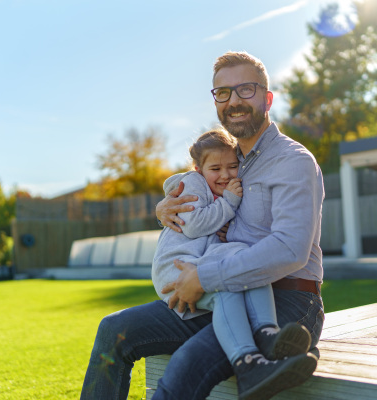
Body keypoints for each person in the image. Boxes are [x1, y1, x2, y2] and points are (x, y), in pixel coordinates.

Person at [80, 51, 325, 400]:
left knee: (184, 369)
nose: (234, 101)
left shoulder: (292, 161)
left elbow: (290, 249)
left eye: (246, 90)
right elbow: (191, 193)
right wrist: (165, 207)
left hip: (285, 302)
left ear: (267, 98)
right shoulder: (227, 161)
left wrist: (205, 278)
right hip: (224, 293)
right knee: (114, 330)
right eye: (222, 93)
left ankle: (252, 361)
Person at [151, 127, 314, 399]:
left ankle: (266, 333)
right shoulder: (192, 183)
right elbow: (193, 225)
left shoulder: (224, 185)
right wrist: (229, 204)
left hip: (199, 261)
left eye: (232, 166)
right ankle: (247, 361)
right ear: (198, 168)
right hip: (177, 269)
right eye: (216, 168)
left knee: (245, 262)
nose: (225, 174)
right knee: (228, 282)